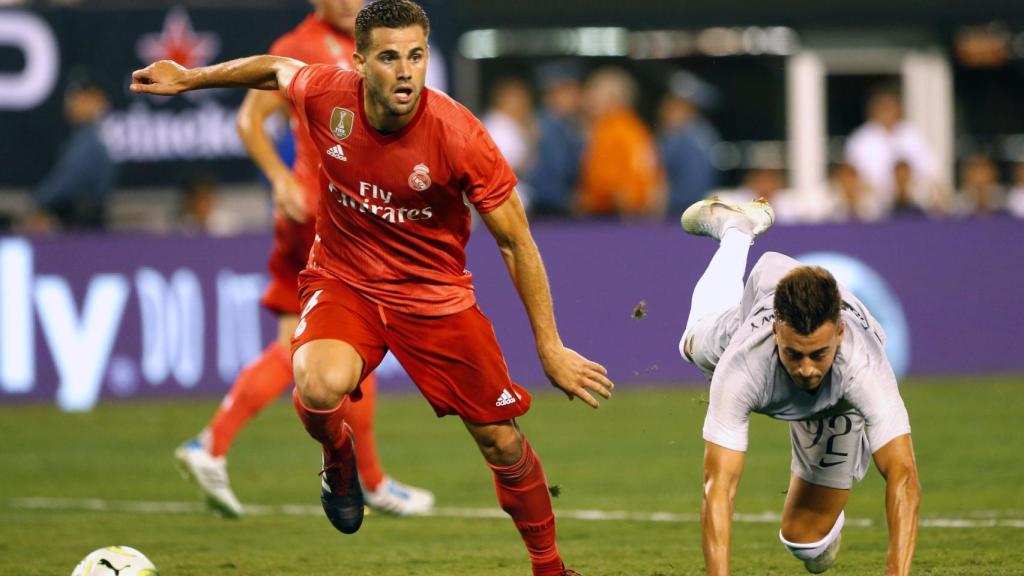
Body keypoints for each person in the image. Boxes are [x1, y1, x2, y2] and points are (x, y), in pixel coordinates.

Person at [131, 2, 613, 575]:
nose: (405, 71)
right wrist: (191, 79)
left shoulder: (461, 136)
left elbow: (516, 242)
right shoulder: (327, 94)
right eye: (389, 57)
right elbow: (275, 68)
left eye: (416, 56)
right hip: (346, 281)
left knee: (502, 444)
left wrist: (550, 347)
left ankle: (550, 567)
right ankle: (339, 457)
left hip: (435, 299)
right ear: (360, 62)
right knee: (315, 383)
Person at [173, 0, 434, 519]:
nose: (347, 3)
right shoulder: (298, 46)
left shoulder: (369, 40)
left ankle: (217, 445)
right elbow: (250, 120)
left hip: (347, 210)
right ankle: (370, 480)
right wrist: (279, 178)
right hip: (321, 213)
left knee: (325, 343)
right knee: (352, 332)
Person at [677, 197, 920, 575]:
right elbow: (719, 486)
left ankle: (822, 520)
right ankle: (736, 232)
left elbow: (903, 476)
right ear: (777, 333)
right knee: (691, 343)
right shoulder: (743, 363)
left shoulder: (864, 364)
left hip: (836, 404)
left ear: (839, 333)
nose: (806, 369)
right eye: (794, 354)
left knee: (808, 545)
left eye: (818, 354)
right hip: (753, 312)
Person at [32, 72, 117, 232]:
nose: (72, 103)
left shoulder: (90, 140)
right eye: (73, 97)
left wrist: (40, 200)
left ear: (98, 101)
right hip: (82, 222)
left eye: (81, 98)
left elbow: (67, 183)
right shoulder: (85, 136)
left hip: (82, 225)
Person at [576, 66, 663, 218]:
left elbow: (614, 185)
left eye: (594, 93)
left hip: (614, 215)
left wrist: (584, 202)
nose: (587, 98)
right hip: (634, 213)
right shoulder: (634, 127)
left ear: (613, 98)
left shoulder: (615, 130)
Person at [844, 87, 942, 218]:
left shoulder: (913, 135)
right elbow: (849, 176)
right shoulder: (861, 140)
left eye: (890, 108)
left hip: (912, 199)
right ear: (873, 111)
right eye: (883, 109)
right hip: (872, 203)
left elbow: (932, 172)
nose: (887, 113)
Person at [523, 60, 584, 219]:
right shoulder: (544, 126)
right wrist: (568, 200)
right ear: (551, 94)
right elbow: (545, 175)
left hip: (554, 207)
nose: (576, 97)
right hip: (545, 211)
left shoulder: (566, 126)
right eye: (568, 91)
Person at [657, 70, 720, 215]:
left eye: (674, 104)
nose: (665, 108)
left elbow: (693, 188)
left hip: (682, 213)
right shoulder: (686, 134)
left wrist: (661, 200)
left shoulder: (692, 138)